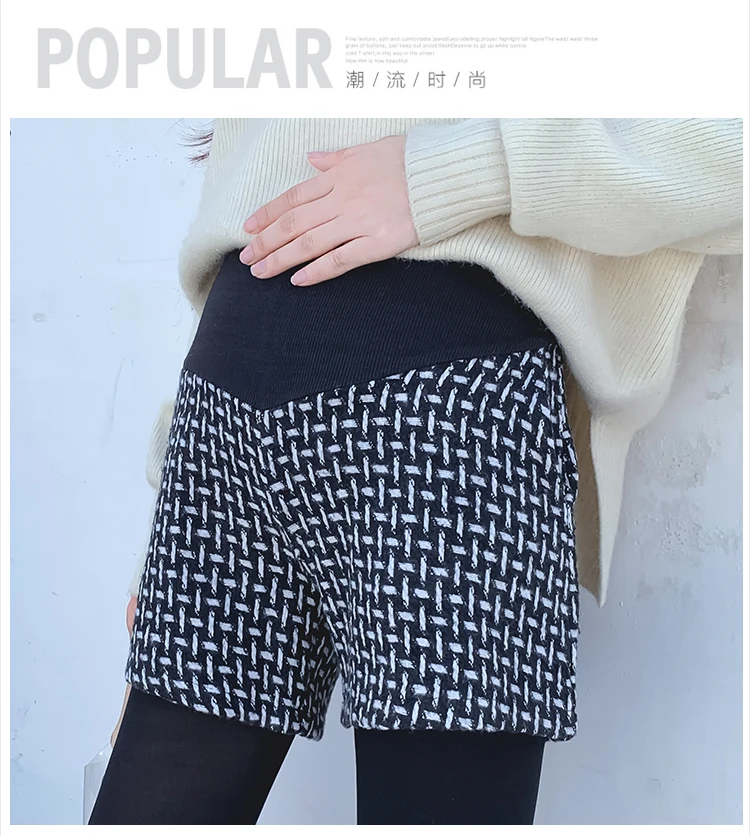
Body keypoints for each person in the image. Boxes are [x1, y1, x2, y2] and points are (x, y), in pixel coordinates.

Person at [89, 118, 743, 825]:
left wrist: (453, 172)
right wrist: (170, 502)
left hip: (443, 427)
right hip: (224, 426)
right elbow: (244, 201)